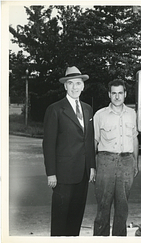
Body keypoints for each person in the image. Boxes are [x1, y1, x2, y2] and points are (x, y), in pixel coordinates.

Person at [42, 66, 96, 236]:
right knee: (60, 219)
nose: (75, 87)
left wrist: (92, 167)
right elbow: (48, 144)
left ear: (83, 86)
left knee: (76, 217)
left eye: (78, 83)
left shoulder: (87, 109)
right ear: (65, 86)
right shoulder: (55, 109)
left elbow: (88, 140)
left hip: (83, 173)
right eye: (71, 83)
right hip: (63, 175)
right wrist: (51, 173)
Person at [93, 79, 139, 236]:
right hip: (105, 162)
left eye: (120, 93)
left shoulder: (133, 114)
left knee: (122, 207)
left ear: (125, 94)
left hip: (126, 162)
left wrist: (135, 162)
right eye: (114, 93)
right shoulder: (100, 115)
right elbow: (94, 141)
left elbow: (134, 139)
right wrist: (92, 166)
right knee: (103, 206)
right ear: (109, 95)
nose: (117, 97)